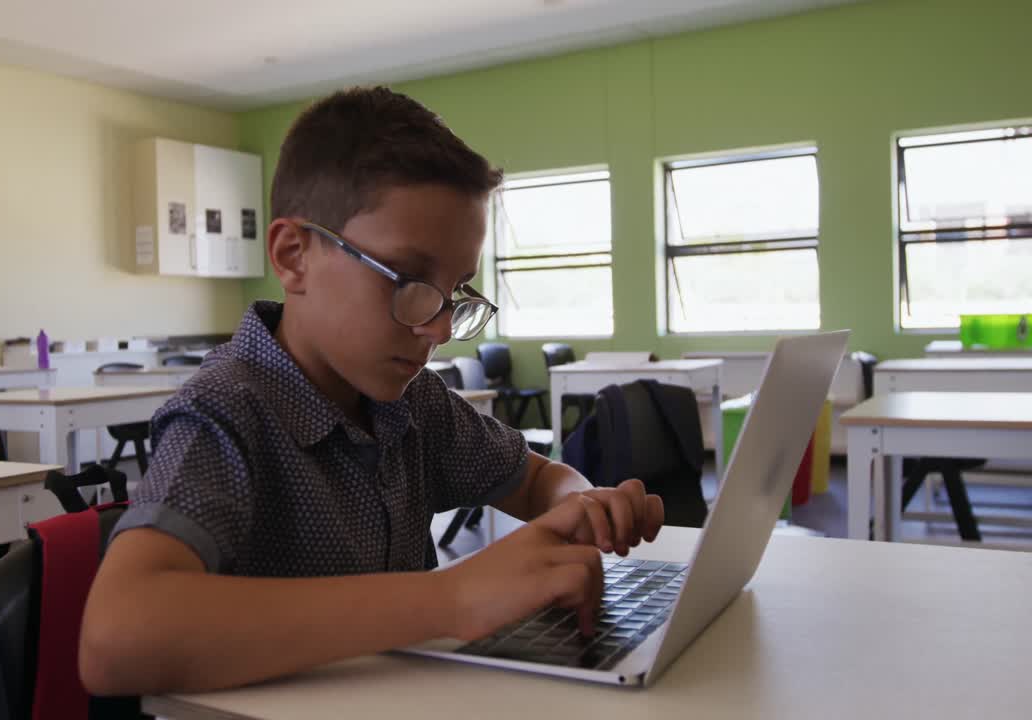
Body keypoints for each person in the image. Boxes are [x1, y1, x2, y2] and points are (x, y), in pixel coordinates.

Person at [80, 86, 664, 695]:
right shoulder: (227, 411)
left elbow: (536, 479)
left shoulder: (411, 400)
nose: (438, 328)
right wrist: (451, 597)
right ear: (293, 255)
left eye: (455, 288)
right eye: (409, 279)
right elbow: (115, 638)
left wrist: (581, 504)